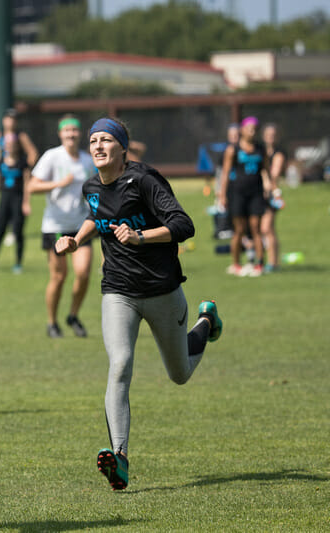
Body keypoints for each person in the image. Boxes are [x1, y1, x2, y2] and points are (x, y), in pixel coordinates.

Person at [55, 117, 223, 491]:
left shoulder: (145, 180)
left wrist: (140, 237)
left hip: (162, 290)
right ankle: (120, 458)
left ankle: (206, 322)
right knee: (120, 365)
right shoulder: (90, 186)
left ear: (122, 148)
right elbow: (94, 214)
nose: (98, 146)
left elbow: (184, 224)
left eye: (106, 140)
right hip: (118, 291)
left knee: (179, 373)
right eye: (93, 140)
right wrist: (76, 240)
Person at [28, 115, 94, 338]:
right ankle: (52, 322)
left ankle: (73, 315)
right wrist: (59, 183)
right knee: (59, 277)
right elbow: (32, 186)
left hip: (81, 225)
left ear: (80, 134)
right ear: (60, 134)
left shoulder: (87, 159)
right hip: (55, 225)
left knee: (83, 273)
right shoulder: (52, 156)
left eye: (74, 131)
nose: (71, 135)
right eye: (66, 131)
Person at [218, 116, 272, 277]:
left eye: (255, 128)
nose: (252, 131)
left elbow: (265, 169)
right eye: (249, 128)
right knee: (239, 230)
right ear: (242, 130)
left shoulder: (260, 149)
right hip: (237, 193)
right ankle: (236, 264)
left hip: (255, 193)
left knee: (256, 228)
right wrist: (222, 194)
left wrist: (268, 184)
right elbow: (226, 173)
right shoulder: (233, 149)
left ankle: (259, 264)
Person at [0, 132, 31, 273]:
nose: (8, 147)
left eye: (11, 144)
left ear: (16, 145)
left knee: (18, 231)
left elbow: (27, 183)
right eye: (6, 144)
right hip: (4, 199)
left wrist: (26, 203)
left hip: (18, 199)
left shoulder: (23, 162)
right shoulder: (1, 162)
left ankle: (18, 263)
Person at [261, 122, 286, 272]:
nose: (270, 137)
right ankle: (263, 260)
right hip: (258, 194)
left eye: (273, 135)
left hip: (271, 195)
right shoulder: (260, 152)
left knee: (267, 228)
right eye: (268, 135)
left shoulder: (278, 154)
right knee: (262, 229)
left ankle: (273, 262)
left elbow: (274, 175)